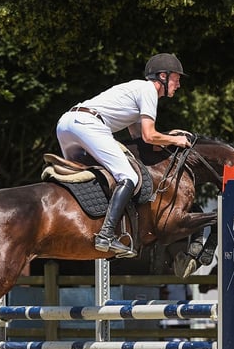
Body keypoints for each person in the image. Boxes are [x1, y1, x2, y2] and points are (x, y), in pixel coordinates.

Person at [55, 53, 192, 258]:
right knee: (129, 177)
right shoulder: (148, 91)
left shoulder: (135, 90)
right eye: (177, 78)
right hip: (88, 125)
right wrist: (176, 139)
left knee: (86, 177)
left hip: (66, 124)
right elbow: (150, 135)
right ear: (163, 76)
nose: (179, 84)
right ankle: (107, 234)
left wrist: (165, 138)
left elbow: (141, 139)